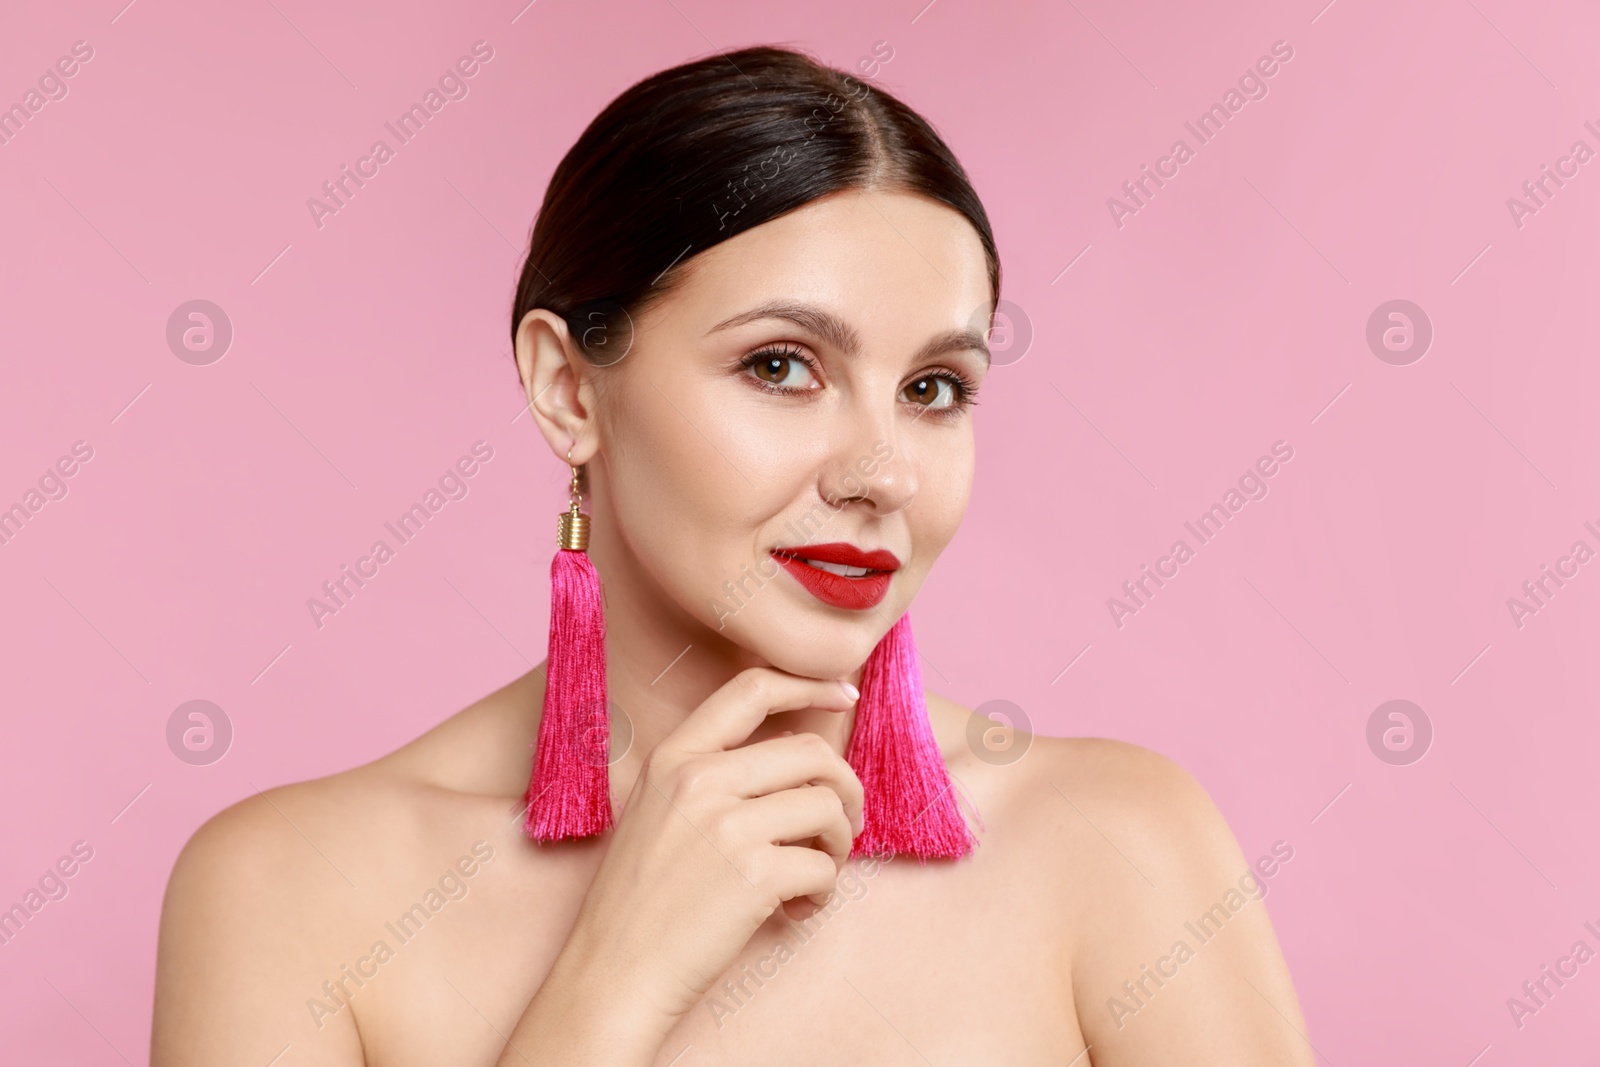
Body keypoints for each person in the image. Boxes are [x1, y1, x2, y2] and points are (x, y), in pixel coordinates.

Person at [151, 44, 1313, 1066]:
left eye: (933, 388)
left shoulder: (1118, 843)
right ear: (568, 389)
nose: (883, 469)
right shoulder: (284, 893)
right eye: (780, 365)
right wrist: (612, 980)